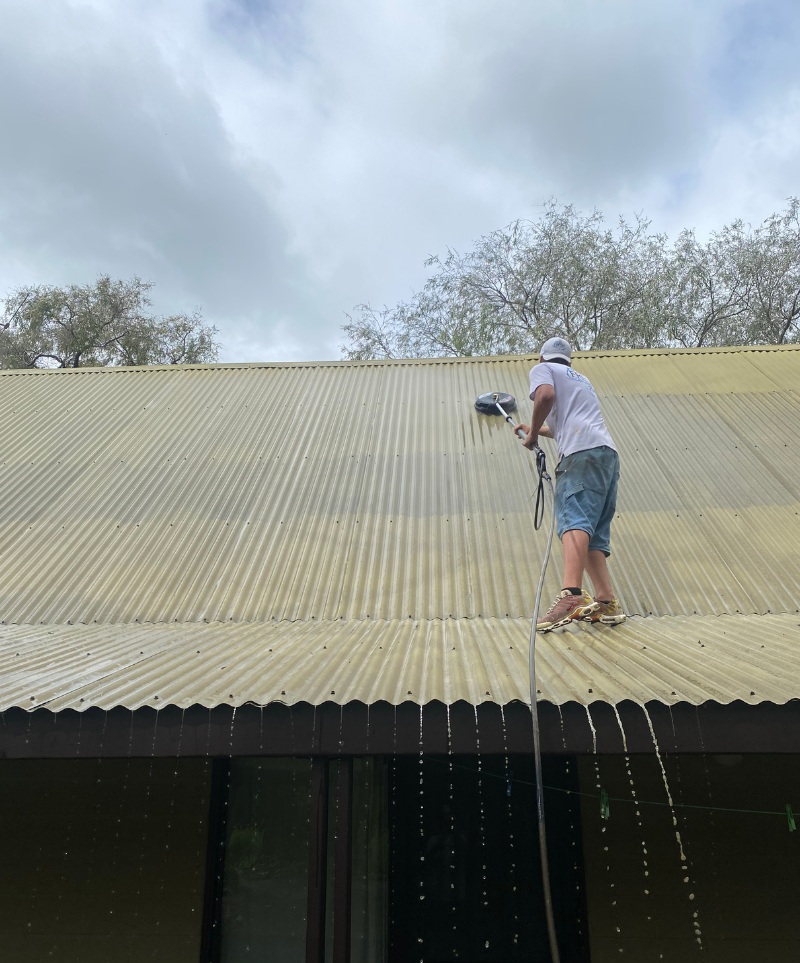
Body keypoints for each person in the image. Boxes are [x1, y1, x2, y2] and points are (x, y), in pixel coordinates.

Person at [515, 336, 627, 631]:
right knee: (593, 531)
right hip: (605, 455)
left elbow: (545, 396)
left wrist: (532, 435)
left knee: (573, 520)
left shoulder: (542, 369)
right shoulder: (580, 379)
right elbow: (566, 424)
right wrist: (535, 428)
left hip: (579, 455)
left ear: (542, 357)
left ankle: (572, 594)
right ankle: (606, 601)